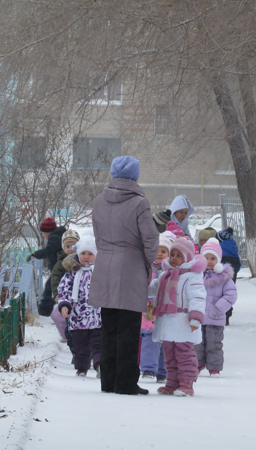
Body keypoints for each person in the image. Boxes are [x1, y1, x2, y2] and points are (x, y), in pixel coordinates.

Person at [89, 155, 159, 395]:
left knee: (108, 327)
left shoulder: (99, 200)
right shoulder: (139, 203)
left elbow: (98, 235)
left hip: (105, 265)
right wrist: (145, 262)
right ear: (135, 175)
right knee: (128, 328)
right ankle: (126, 382)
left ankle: (107, 382)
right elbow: (150, 239)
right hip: (130, 267)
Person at [149, 236, 207, 397]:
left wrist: (196, 318)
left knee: (184, 355)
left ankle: (187, 384)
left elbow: (198, 298)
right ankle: (172, 382)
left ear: (187, 257)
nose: (174, 259)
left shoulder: (192, 277)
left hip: (183, 321)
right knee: (170, 355)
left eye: (178, 255)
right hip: (167, 322)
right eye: (172, 255)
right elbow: (153, 288)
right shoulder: (165, 275)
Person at [58, 235, 102, 377]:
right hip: (78, 316)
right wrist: (65, 305)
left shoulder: (101, 272)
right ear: (78, 254)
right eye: (83, 253)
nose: (86, 257)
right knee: (80, 344)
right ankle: (82, 367)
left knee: (99, 344)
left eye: (90, 254)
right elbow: (64, 290)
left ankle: (100, 365)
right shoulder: (72, 273)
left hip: (98, 316)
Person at [195, 238, 237, 377]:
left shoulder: (224, 278)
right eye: (206, 258)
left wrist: (218, 307)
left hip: (215, 317)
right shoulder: (197, 276)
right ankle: (197, 364)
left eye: (213, 258)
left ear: (218, 260)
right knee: (197, 344)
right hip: (198, 317)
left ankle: (214, 368)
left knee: (214, 344)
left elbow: (231, 295)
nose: (209, 261)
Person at [140, 232, 175, 383]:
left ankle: (163, 371)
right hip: (148, 312)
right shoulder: (146, 270)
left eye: (163, 251)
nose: (159, 254)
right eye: (156, 251)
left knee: (165, 342)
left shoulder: (171, 272)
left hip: (165, 312)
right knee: (150, 339)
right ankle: (148, 369)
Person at [27, 217, 66, 316]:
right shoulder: (59, 236)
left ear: (47, 231)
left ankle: (44, 312)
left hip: (60, 269)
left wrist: (35, 254)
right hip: (62, 268)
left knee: (49, 289)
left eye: (43, 232)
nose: (42, 234)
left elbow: (49, 251)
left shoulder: (54, 237)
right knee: (54, 288)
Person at [50, 229, 80, 349]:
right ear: (63, 247)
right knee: (60, 316)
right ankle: (67, 336)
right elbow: (55, 279)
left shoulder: (83, 259)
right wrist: (57, 294)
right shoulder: (60, 264)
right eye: (67, 246)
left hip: (81, 297)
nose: (71, 249)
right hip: (65, 296)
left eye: (74, 245)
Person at [216, 227, 241, 325]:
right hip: (232, 278)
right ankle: (227, 315)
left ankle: (220, 315)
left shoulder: (219, 250)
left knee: (219, 294)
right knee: (228, 294)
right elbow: (239, 265)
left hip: (220, 278)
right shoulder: (234, 250)